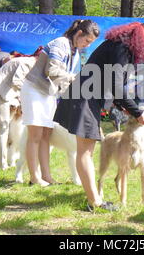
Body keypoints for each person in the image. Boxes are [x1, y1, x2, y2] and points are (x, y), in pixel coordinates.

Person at [54, 22, 144, 211]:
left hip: (87, 97)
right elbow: (116, 84)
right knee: (85, 152)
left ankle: (93, 199)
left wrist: (124, 106)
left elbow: (110, 82)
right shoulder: (121, 48)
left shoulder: (120, 46)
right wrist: (136, 111)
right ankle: (95, 202)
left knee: (85, 150)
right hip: (84, 98)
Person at [20, 19, 100, 187]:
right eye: (86, 40)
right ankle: (34, 178)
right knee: (35, 135)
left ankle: (47, 177)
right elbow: (52, 70)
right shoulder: (60, 43)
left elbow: (63, 81)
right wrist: (76, 79)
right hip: (34, 89)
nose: (87, 45)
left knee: (46, 136)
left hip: (49, 93)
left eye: (90, 43)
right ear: (79, 33)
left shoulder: (75, 53)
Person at [0, 47, 43, 169]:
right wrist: (26, 95)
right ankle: (2, 164)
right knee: (3, 127)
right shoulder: (29, 63)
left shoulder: (25, 61)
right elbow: (17, 81)